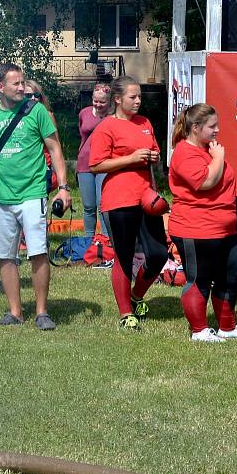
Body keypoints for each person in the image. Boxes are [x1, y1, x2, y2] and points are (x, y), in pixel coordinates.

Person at [0, 63, 71, 330]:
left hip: (33, 191)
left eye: (23, 82)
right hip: (0, 195)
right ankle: (15, 312)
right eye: (16, 84)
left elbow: (55, 148)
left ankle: (41, 312)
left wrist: (63, 186)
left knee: (38, 252)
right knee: (6, 255)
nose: (22, 88)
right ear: (0, 87)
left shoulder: (36, 110)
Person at [169, 104, 237, 342]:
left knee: (233, 272)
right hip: (196, 229)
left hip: (225, 228)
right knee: (200, 278)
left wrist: (215, 156)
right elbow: (205, 182)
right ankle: (199, 330)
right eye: (212, 126)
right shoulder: (185, 152)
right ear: (195, 128)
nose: (217, 130)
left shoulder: (209, 149)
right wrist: (219, 157)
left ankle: (227, 326)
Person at [89, 76, 168, 330]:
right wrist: (131, 158)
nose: (137, 101)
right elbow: (96, 165)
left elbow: (153, 154)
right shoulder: (107, 126)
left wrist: (153, 157)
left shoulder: (144, 123)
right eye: (133, 97)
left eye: (140, 97)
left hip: (147, 198)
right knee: (124, 257)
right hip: (118, 199)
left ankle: (136, 296)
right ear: (117, 99)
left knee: (158, 255)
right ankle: (126, 314)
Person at [77, 82, 111, 238]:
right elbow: (82, 135)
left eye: (102, 102)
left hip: (104, 163)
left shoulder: (114, 117)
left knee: (102, 204)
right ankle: (88, 240)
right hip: (84, 163)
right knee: (88, 206)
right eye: (95, 101)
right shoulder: (84, 113)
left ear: (110, 101)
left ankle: (105, 240)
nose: (98, 104)